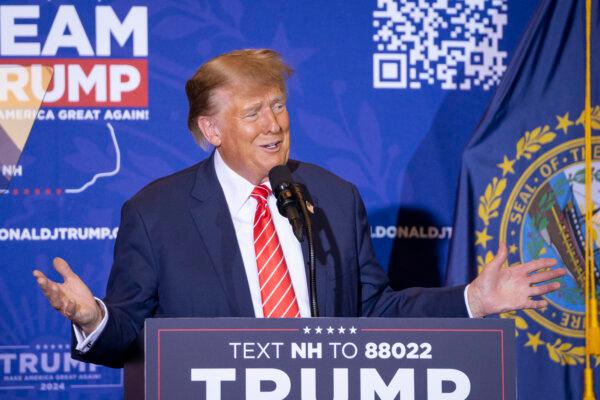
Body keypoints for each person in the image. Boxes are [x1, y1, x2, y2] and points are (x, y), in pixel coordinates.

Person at [33, 49, 566, 368]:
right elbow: (129, 330)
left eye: (279, 106)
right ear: (211, 130)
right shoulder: (156, 212)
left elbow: (372, 312)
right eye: (253, 113)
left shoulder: (333, 196)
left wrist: (474, 298)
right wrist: (92, 317)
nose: (274, 125)